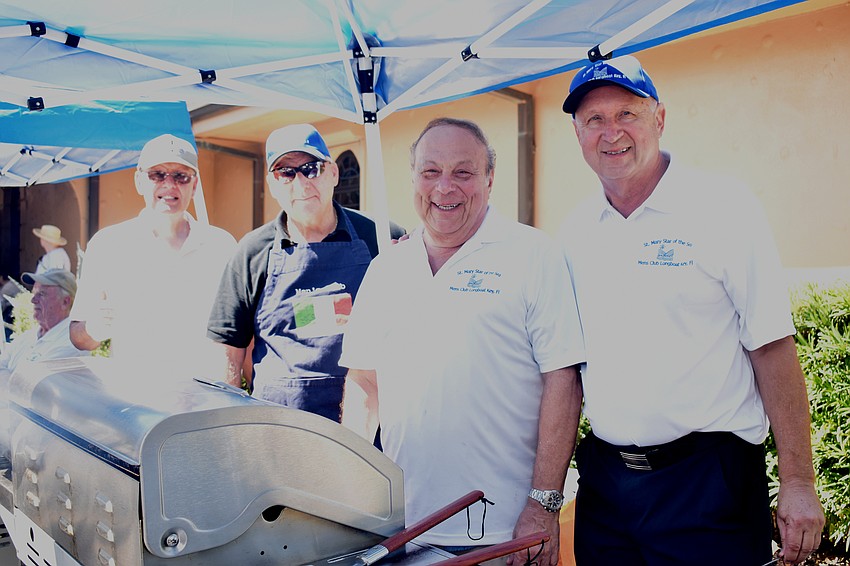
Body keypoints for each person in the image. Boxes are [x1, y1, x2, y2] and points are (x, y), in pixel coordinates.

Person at [557, 55, 824, 565]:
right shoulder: (574, 233)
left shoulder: (724, 207)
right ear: (577, 133)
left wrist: (798, 481)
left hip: (708, 484)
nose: (611, 133)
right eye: (594, 120)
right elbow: (564, 371)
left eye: (627, 114)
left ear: (659, 118)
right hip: (606, 490)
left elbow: (772, 346)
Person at [340, 118, 584, 564]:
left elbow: (563, 381)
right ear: (413, 178)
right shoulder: (386, 268)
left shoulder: (533, 255)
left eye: (463, 172)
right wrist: (349, 494)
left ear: (490, 179)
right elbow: (365, 383)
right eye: (430, 172)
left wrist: (543, 504)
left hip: (502, 534)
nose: (444, 187)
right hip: (398, 531)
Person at [207, 123, 405, 422]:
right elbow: (227, 350)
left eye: (312, 169)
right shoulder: (252, 251)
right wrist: (226, 427)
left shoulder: (381, 238)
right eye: (285, 173)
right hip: (277, 427)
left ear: (334, 173)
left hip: (365, 422)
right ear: (272, 184)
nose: (301, 184)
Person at [69, 134, 236, 375]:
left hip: (204, 393)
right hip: (134, 391)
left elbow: (239, 334)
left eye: (181, 176)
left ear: (194, 185)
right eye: (157, 175)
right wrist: (96, 327)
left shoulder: (221, 246)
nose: (169, 185)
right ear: (139, 181)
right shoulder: (108, 245)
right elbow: (78, 337)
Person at [0, 269, 86, 373]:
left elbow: (30, 379)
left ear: (65, 302)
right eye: (34, 293)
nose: (33, 300)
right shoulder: (29, 336)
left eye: (41, 294)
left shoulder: (72, 344)